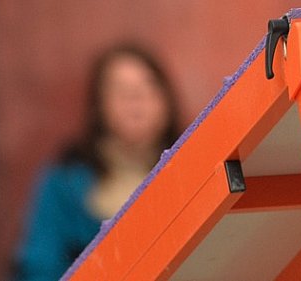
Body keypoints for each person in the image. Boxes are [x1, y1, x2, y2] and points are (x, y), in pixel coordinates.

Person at [10, 42, 184, 281]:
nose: (136, 99)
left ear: (166, 99)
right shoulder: (65, 181)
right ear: (99, 105)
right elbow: (39, 265)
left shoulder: (191, 174)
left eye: (147, 86)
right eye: (121, 90)